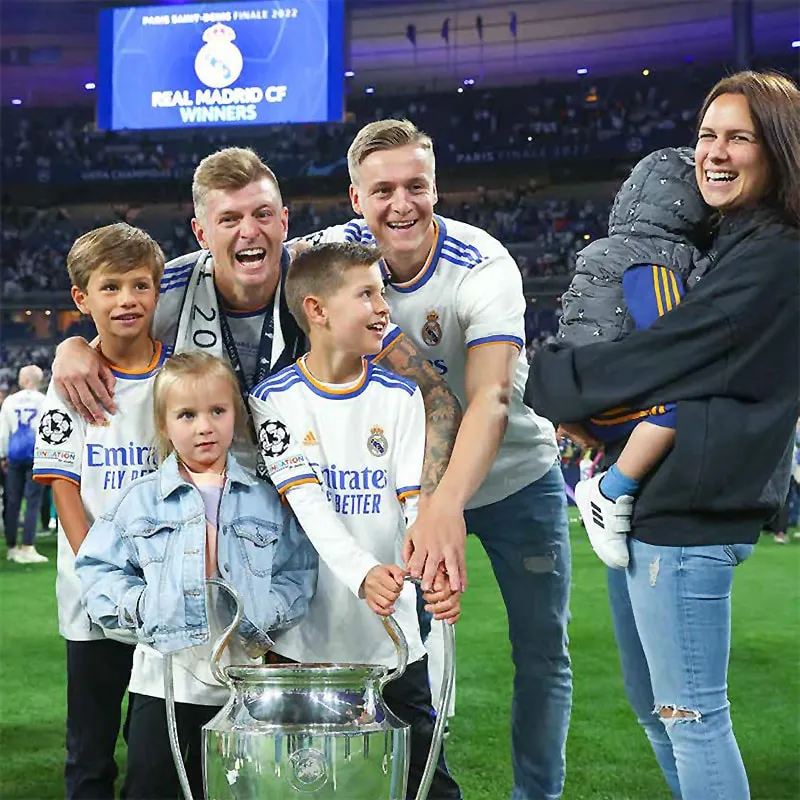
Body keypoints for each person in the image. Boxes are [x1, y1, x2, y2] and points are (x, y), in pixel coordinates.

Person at [526, 71, 800, 800]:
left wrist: (553, 377)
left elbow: (667, 353)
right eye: (707, 135)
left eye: (738, 136)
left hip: (691, 514)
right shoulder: (736, 241)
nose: (714, 152)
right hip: (659, 507)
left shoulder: (776, 250)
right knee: (659, 713)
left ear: (777, 149)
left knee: (693, 717)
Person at [296, 120, 571, 800]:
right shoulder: (332, 262)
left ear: (436, 187)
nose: (401, 204)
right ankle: (413, 785)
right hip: (403, 488)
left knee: (542, 653)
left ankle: (537, 795)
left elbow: (491, 400)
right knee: (394, 649)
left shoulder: (484, 265)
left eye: (415, 186)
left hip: (514, 480)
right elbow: (226, 266)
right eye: (382, 189)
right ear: (355, 199)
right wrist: (78, 346)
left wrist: (445, 504)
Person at [50, 147, 462, 560]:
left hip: (329, 514)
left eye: (262, 214)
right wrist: (75, 347)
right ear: (201, 233)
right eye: (229, 219)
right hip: (215, 532)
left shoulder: (322, 285)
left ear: (284, 221)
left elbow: (437, 398)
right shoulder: (169, 291)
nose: (249, 231)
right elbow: (114, 325)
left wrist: (427, 506)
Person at [249, 242, 461, 799]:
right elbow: (308, 505)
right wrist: (364, 570)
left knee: (425, 780)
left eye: (383, 293)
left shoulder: (400, 394)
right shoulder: (274, 400)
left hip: (392, 634)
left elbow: (416, 506)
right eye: (366, 293)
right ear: (317, 311)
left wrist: (434, 576)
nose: (383, 307)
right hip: (305, 638)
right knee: (310, 783)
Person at [76, 352, 318, 800]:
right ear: (165, 425)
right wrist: (144, 608)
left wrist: (263, 616)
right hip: (162, 683)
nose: (204, 426)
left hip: (242, 686)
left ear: (236, 417)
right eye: (187, 415)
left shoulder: (267, 500)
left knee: (236, 790)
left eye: (217, 412)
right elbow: (97, 570)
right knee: (151, 787)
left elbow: (297, 572)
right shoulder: (142, 500)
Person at [32, 222, 169, 799]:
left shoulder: (180, 372)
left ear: (159, 292)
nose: (127, 300)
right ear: (82, 299)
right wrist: (100, 572)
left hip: (167, 593)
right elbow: (64, 486)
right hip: (92, 594)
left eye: (140, 285)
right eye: (109, 287)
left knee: (154, 748)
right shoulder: (68, 385)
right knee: (89, 752)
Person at [556, 147, 712, 568]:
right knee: (690, 401)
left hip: (590, 389)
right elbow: (668, 341)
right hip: (609, 398)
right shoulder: (654, 257)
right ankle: (610, 491)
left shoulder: (617, 249)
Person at [0, 364, 47, 563]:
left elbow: (3, 431)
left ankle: (12, 548)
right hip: (36, 454)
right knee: (33, 501)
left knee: (12, 501)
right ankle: (28, 546)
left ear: (25, 379)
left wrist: (3, 455)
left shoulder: (10, 401)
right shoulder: (44, 400)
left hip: (15, 455)